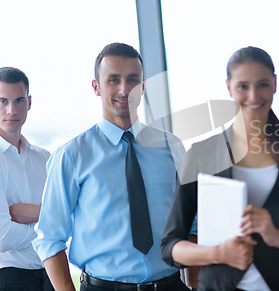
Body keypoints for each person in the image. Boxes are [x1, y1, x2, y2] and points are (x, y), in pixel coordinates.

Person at [161, 46, 279, 291]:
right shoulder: (201, 155)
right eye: (243, 86)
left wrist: (277, 236)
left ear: (275, 84)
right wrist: (218, 253)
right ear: (229, 87)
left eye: (262, 85)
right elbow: (170, 247)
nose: (253, 96)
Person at [33, 43, 191, 291]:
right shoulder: (71, 156)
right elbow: (50, 238)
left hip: (171, 285)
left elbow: (192, 222)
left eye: (132, 80)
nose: (124, 89)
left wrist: (195, 284)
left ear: (144, 85)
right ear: (96, 87)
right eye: (113, 80)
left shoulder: (172, 147)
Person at [0, 67, 54, 290]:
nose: (11, 110)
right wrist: (50, 221)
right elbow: (3, 237)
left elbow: (73, 217)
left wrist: (37, 213)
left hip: (50, 272)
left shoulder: (45, 158)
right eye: (2, 101)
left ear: (29, 102)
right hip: (9, 278)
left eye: (19, 100)